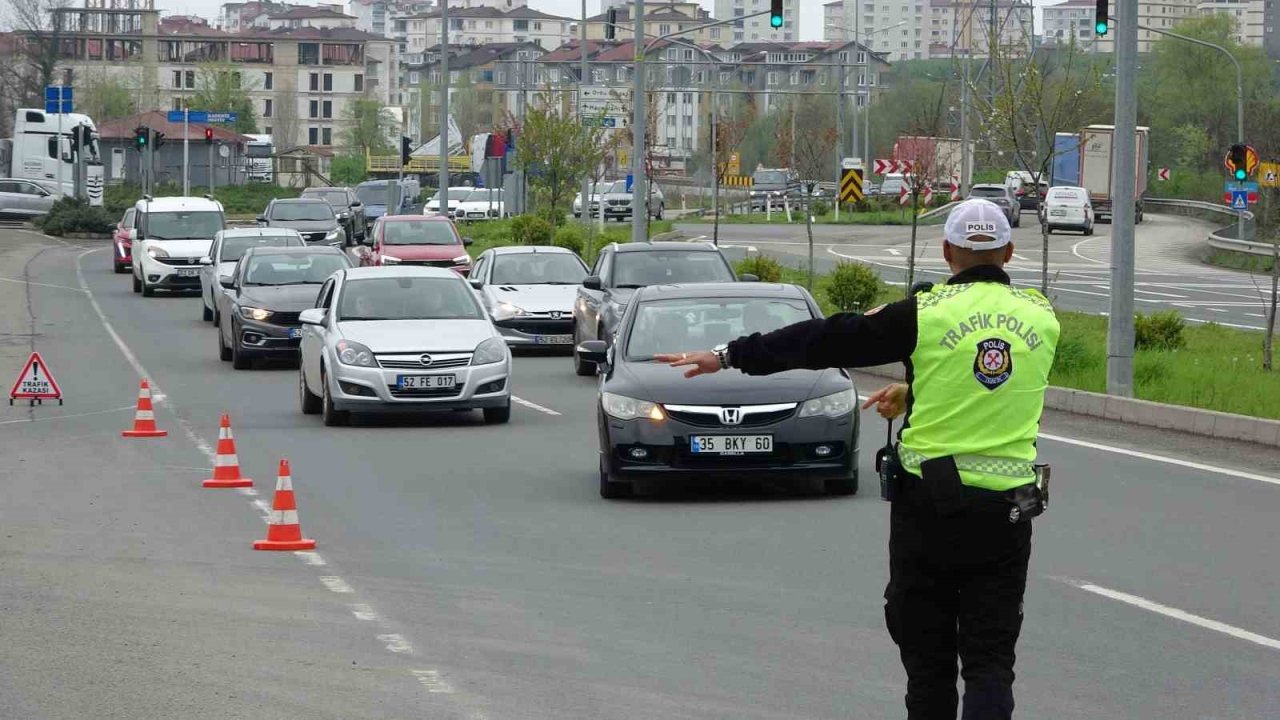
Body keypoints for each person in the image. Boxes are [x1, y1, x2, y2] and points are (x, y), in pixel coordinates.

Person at [658, 198, 1060, 720]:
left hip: (931, 507)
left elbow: (824, 340)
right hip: (1009, 509)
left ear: (946, 252)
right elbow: (993, 381)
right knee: (991, 663)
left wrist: (729, 355)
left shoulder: (925, 313)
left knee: (929, 662)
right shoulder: (1042, 317)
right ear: (1009, 253)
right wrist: (915, 392)